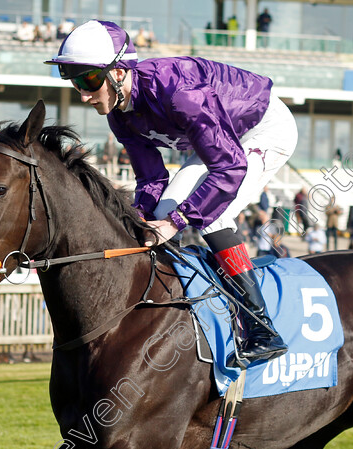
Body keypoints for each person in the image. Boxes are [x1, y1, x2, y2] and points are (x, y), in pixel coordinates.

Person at [46, 20, 298, 364]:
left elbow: (230, 169)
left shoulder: (180, 94)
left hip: (264, 129)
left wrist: (177, 222)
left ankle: (261, 327)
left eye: (89, 79)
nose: (84, 94)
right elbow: (151, 180)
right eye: (76, 82)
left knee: (211, 213)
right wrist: (138, 222)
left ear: (119, 73)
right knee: (160, 214)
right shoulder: (120, 114)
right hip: (227, 139)